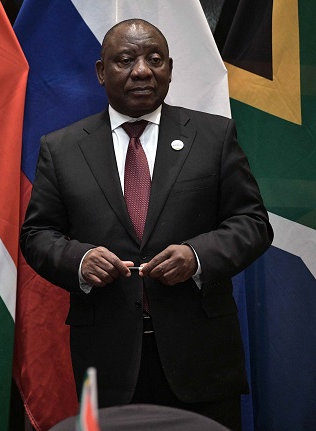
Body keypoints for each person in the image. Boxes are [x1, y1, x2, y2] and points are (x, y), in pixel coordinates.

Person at [19, 19, 272, 430]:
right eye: (126, 59)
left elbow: (253, 223)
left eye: (155, 60)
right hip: (107, 359)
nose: (142, 70)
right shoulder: (62, 148)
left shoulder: (213, 136)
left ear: (170, 69)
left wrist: (197, 255)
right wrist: (79, 260)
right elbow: (36, 235)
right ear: (102, 72)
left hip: (200, 356)